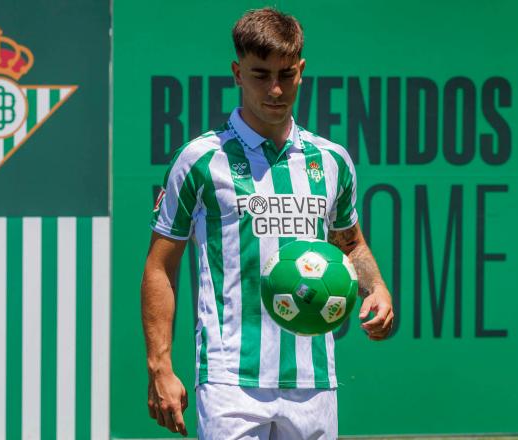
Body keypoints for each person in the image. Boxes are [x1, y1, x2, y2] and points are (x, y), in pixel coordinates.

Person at [141, 7, 394, 439]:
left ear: (302, 71)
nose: (276, 89)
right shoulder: (201, 159)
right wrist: (160, 367)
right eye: (261, 75)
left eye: (287, 74)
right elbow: (160, 266)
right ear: (237, 73)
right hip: (229, 379)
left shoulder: (331, 160)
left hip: (313, 379)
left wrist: (378, 287)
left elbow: (349, 244)